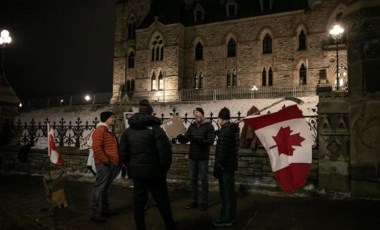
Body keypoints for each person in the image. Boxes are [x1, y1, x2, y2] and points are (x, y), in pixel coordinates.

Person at [119, 100, 176, 230]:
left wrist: (131, 167)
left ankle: (140, 227)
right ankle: (170, 225)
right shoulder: (156, 130)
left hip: (138, 172)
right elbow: (165, 152)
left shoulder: (128, 132)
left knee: (139, 201)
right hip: (155, 172)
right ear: (150, 113)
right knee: (162, 200)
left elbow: (123, 153)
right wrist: (162, 169)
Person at [176, 107, 215, 211]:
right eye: (194, 114)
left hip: (202, 157)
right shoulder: (192, 126)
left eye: (197, 113)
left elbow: (211, 141)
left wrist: (198, 140)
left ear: (202, 114)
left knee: (203, 180)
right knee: (193, 180)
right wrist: (179, 136)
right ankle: (194, 201)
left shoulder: (208, 125)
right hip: (193, 157)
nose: (196, 115)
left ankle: (205, 202)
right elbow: (185, 140)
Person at [90, 111, 120, 222]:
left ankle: (104, 210)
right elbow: (97, 148)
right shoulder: (100, 130)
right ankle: (95, 213)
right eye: (112, 117)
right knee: (99, 189)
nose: (114, 118)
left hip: (111, 163)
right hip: (104, 164)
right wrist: (105, 161)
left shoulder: (109, 131)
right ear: (106, 118)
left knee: (105, 189)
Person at [212, 107, 239, 227]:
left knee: (226, 193)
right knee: (230, 192)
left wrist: (218, 165)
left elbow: (222, 150)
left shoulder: (226, 132)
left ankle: (226, 219)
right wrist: (220, 133)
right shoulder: (231, 130)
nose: (218, 121)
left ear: (221, 119)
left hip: (225, 167)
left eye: (219, 119)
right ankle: (230, 217)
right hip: (230, 166)